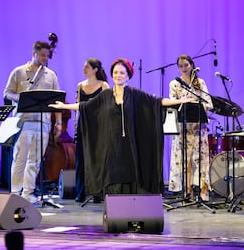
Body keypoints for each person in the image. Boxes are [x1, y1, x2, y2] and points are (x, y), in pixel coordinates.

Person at [49, 58, 192, 197]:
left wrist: (178, 101)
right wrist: (64, 106)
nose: (118, 75)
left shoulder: (135, 94)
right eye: (116, 72)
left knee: (130, 168)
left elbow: (156, 101)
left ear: (128, 75)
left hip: (130, 143)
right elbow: (85, 106)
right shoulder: (106, 95)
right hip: (112, 143)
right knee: (113, 171)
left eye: (122, 73)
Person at [3, 41, 62, 204]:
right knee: (20, 158)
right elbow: (7, 93)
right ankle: (15, 192)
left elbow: (57, 100)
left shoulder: (51, 75)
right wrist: (22, 98)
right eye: (42, 55)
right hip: (24, 121)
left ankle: (28, 193)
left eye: (47, 55)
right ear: (34, 53)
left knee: (35, 160)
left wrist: (58, 122)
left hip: (43, 123)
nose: (45, 58)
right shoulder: (19, 72)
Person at [168, 54, 213, 201]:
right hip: (182, 127)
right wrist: (182, 102)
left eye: (186, 65)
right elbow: (172, 103)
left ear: (192, 65)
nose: (183, 68)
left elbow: (209, 103)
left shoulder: (200, 82)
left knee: (200, 159)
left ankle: (203, 190)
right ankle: (187, 190)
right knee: (183, 159)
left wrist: (197, 105)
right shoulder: (174, 83)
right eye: (181, 66)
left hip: (198, 127)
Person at [74, 58, 109, 203]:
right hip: (83, 124)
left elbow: (107, 107)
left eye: (87, 67)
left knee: (97, 159)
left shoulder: (104, 85)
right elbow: (77, 107)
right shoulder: (80, 86)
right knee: (80, 159)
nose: (84, 69)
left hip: (98, 126)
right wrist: (76, 126)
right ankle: (80, 192)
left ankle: (98, 193)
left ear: (95, 69)